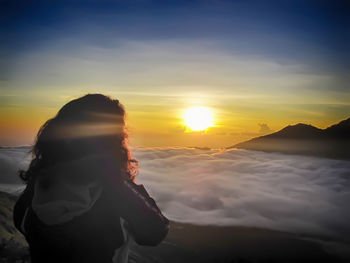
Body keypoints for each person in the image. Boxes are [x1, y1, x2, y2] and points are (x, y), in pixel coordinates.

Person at [13, 94, 169, 263]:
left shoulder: (37, 187)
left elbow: (20, 221)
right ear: (111, 141)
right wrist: (128, 186)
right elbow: (155, 232)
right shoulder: (115, 190)